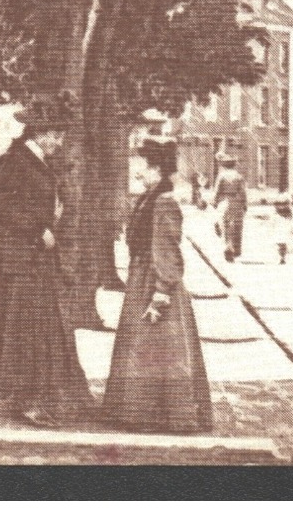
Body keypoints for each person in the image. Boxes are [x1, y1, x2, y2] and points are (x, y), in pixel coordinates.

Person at [0, 96, 95, 428]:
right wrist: (37, 229)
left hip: (32, 258)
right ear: (37, 132)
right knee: (23, 328)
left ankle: (31, 397)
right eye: (54, 135)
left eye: (60, 136)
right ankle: (25, 401)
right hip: (19, 258)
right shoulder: (14, 160)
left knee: (32, 327)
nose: (58, 142)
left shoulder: (35, 160)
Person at [105, 140, 213, 433]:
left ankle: (156, 415)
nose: (137, 171)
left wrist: (161, 292)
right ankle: (143, 412)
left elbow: (166, 248)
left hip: (154, 280)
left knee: (155, 348)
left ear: (155, 169)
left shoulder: (163, 201)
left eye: (142, 165)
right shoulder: (150, 196)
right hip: (142, 277)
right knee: (147, 347)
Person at [211, 152, 248, 262]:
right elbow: (243, 192)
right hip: (237, 203)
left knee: (226, 226)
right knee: (237, 227)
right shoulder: (238, 176)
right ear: (233, 165)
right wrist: (244, 204)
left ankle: (228, 247)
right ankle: (236, 249)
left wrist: (215, 202)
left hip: (225, 202)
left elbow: (217, 191)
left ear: (224, 165)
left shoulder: (221, 176)